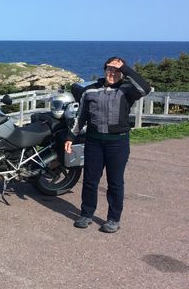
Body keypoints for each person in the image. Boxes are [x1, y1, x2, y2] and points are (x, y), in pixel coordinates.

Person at [65, 56, 151, 233]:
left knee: (115, 182)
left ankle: (113, 219)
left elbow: (145, 88)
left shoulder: (127, 90)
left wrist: (126, 69)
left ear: (122, 73)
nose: (112, 73)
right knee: (90, 180)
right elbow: (81, 116)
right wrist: (70, 137)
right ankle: (86, 214)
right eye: (109, 69)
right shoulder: (90, 90)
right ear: (105, 70)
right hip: (94, 141)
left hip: (117, 143)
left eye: (117, 70)